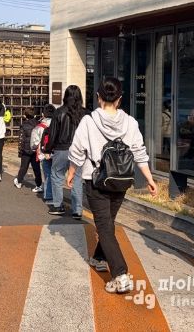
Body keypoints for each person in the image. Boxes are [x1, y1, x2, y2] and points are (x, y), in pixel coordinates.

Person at [67, 77, 158, 293]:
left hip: (96, 180)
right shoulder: (130, 123)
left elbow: (77, 149)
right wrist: (149, 179)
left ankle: (120, 274)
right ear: (119, 99)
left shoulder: (88, 121)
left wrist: (71, 172)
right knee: (107, 223)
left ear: (98, 97)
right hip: (121, 180)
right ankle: (99, 258)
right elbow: (139, 152)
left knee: (104, 226)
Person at [43, 85, 88, 218]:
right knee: (77, 178)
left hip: (61, 149)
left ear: (65, 96)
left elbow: (53, 133)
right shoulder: (86, 113)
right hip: (79, 151)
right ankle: (77, 210)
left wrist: (48, 149)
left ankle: (58, 205)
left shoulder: (59, 112)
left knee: (57, 175)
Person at [14, 107, 42, 191]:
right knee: (36, 168)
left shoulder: (24, 125)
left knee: (23, 167)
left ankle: (19, 181)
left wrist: (20, 151)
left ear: (25, 116)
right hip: (36, 149)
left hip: (26, 149)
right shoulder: (38, 124)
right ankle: (39, 185)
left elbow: (21, 139)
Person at [31, 103, 55, 202]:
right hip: (57, 153)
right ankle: (58, 197)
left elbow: (33, 144)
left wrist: (35, 149)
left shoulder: (39, 127)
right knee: (57, 176)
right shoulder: (58, 125)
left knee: (48, 174)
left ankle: (49, 196)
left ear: (43, 114)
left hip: (44, 154)